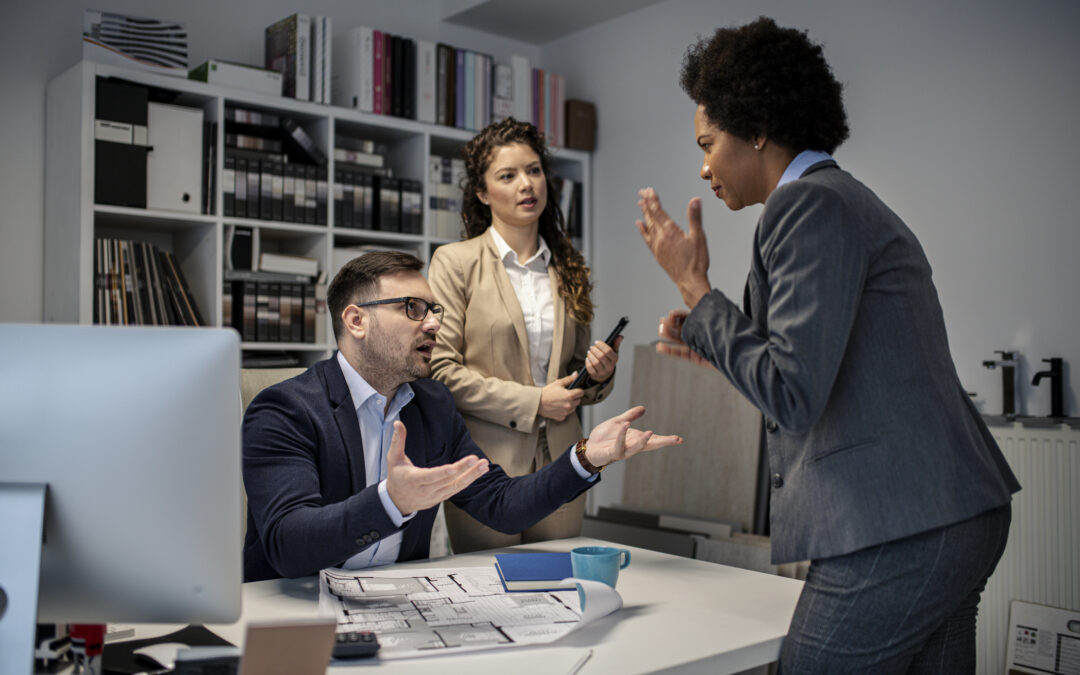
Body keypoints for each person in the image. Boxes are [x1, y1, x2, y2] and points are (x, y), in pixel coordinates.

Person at [635, 17, 1020, 673]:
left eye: (708, 142)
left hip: (900, 523)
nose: (702, 167)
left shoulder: (807, 206)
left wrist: (696, 290)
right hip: (953, 509)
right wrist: (711, 335)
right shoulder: (839, 201)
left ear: (756, 128)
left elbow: (792, 389)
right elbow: (811, 360)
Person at [242, 251, 678, 582]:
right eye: (413, 308)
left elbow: (500, 505)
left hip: (397, 603)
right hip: (296, 609)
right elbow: (289, 545)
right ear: (356, 321)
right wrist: (390, 502)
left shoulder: (431, 405)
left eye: (434, 311)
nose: (433, 324)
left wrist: (586, 457)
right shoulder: (284, 410)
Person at [427, 118, 620, 553]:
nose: (526, 185)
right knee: (487, 592)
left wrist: (598, 375)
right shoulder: (454, 263)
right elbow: (439, 371)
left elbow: (574, 376)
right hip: (483, 464)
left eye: (533, 170)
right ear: (481, 192)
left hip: (564, 458)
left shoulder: (569, 267)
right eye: (507, 176)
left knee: (560, 591)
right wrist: (535, 402)